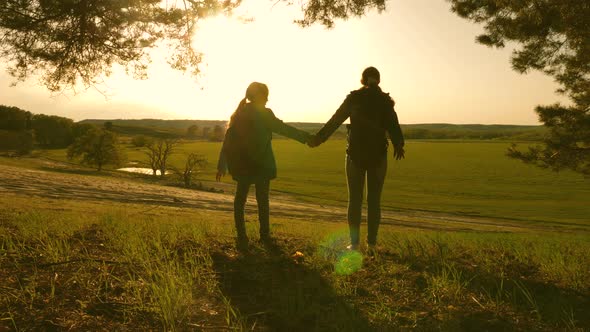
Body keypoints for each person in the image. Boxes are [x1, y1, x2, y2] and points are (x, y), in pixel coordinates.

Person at [308, 67, 405, 254]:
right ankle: (372, 244)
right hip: (378, 156)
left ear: (362, 80)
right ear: (378, 80)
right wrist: (399, 144)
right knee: (374, 200)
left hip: (355, 155)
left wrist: (319, 139)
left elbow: (335, 120)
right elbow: (394, 125)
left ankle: (354, 244)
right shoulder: (385, 101)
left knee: (355, 199)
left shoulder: (354, 98)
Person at [216, 82, 311, 249]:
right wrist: (307, 138)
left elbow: (228, 141)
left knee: (240, 201)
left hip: (243, 165)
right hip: (261, 165)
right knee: (261, 201)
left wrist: (221, 164)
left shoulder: (239, 113)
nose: (268, 98)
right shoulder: (263, 114)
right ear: (259, 96)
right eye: (265, 94)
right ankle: (264, 236)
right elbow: (284, 129)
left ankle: (242, 237)